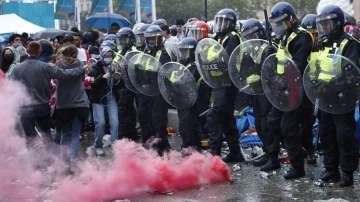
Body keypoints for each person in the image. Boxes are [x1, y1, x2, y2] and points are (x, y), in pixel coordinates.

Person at [263, 2, 313, 179]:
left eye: (280, 22)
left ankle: (298, 167)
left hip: (297, 91)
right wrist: (271, 53)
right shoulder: (284, 38)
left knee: (288, 127)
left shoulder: (302, 37)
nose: (277, 26)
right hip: (283, 89)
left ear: (291, 20)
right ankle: (276, 157)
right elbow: (281, 64)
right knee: (272, 122)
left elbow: (297, 65)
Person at [314, 5, 359, 187]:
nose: (324, 29)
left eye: (328, 24)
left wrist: (333, 85)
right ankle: (331, 170)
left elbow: (351, 74)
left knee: (344, 135)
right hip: (325, 98)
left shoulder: (350, 44)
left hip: (342, 98)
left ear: (338, 23)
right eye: (322, 25)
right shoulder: (323, 45)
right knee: (326, 134)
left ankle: (347, 172)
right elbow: (316, 68)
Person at [10, 41, 85, 145]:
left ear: (27, 51)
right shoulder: (46, 66)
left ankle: (32, 160)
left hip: (25, 108)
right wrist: (80, 69)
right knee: (46, 136)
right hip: (42, 106)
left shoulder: (17, 69)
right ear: (39, 51)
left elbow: (11, 87)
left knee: (30, 138)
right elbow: (65, 74)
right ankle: (49, 159)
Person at [238, 18, 277, 167]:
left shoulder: (267, 48)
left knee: (267, 124)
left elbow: (272, 71)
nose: (249, 39)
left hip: (267, 92)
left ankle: (273, 157)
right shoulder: (250, 50)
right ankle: (267, 153)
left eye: (252, 36)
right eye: (247, 37)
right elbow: (245, 69)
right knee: (259, 123)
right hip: (255, 91)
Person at [207, 8, 243, 162]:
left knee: (214, 116)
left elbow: (225, 61)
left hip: (227, 84)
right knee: (227, 118)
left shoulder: (232, 38)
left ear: (231, 24)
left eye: (224, 22)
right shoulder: (218, 38)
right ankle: (235, 152)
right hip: (219, 83)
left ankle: (215, 153)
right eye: (219, 21)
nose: (221, 25)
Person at [138, 24, 172, 155]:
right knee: (143, 117)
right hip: (146, 92)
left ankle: (162, 148)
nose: (151, 41)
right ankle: (148, 144)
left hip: (158, 93)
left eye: (154, 39)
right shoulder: (145, 52)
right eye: (149, 39)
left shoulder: (163, 54)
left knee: (158, 121)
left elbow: (165, 72)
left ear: (159, 39)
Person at [54, 45, 89, 162]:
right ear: (75, 54)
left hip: (63, 105)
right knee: (75, 134)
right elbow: (83, 78)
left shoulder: (58, 65)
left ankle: (63, 161)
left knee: (65, 133)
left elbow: (55, 80)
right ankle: (73, 160)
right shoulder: (79, 64)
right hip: (79, 104)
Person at [175, 37, 211, 151]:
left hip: (192, 103)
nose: (182, 54)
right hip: (183, 102)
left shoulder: (194, 66)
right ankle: (188, 146)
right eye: (181, 51)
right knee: (184, 126)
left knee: (189, 126)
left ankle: (192, 148)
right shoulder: (183, 65)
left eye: (185, 51)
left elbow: (185, 82)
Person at [88, 44, 119, 156]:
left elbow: (119, 83)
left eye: (111, 55)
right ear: (102, 55)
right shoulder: (96, 66)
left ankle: (116, 145)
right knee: (100, 123)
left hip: (111, 97)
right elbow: (90, 81)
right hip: (98, 98)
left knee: (115, 123)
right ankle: (98, 145)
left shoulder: (115, 65)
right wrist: (102, 77)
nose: (109, 57)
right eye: (106, 55)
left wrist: (117, 78)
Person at [113, 27, 138, 141]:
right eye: (121, 39)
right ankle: (126, 138)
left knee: (127, 115)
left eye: (124, 39)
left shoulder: (134, 52)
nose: (122, 42)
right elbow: (114, 65)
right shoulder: (119, 52)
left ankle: (128, 138)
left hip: (130, 88)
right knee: (123, 115)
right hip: (119, 87)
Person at [300, 14, 319, 165]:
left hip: (322, 91)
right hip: (304, 91)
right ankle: (308, 150)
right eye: (311, 34)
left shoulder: (326, 47)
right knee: (305, 122)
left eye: (316, 34)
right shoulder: (302, 47)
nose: (313, 37)